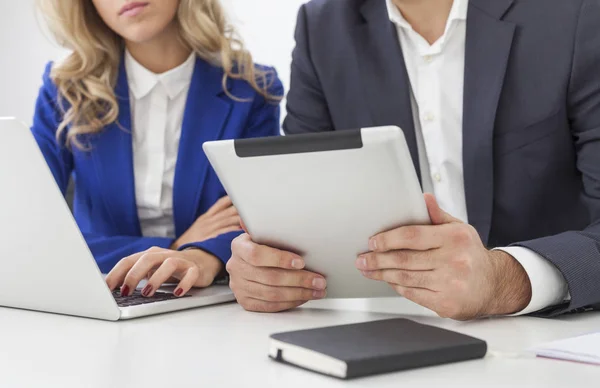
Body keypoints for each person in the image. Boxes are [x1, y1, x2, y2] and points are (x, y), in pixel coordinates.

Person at [226, 0, 600, 319]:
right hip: (388, 332)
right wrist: (268, 268)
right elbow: (302, 207)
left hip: (552, 335)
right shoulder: (323, 25)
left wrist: (505, 278)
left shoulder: (577, 14)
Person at [31, 0, 282, 298]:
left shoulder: (250, 88)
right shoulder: (63, 89)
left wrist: (205, 257)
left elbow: (256, 221)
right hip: (102, 294)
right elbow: (33, 228)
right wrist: (178, 249)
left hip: (210, 300)